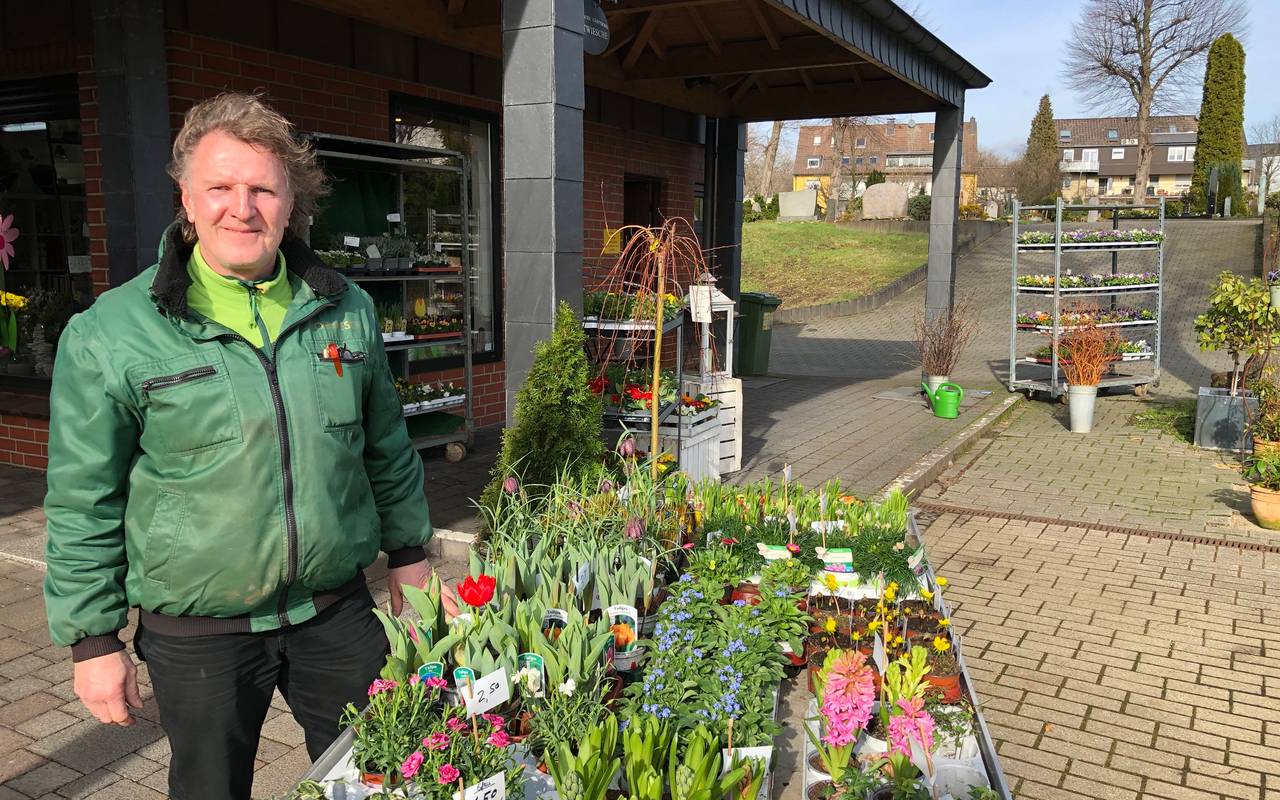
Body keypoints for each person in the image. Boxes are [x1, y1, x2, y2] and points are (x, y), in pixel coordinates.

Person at [43, 92, 454, 800]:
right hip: (199, 635)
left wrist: (412, 557)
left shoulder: (344, 309)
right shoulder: (112, 332)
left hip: (336, 615)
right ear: (187, 198)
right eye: (221, 188)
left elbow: (386, 448)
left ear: (290, 201)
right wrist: (94, 641)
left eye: (263, 187)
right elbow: (84, 498)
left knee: (384, 778)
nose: (243, 207)